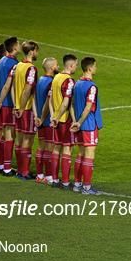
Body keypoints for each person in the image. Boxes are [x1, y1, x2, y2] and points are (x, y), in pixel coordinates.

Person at [71, 57, 103, 195]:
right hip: (88, 125)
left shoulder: (77, 83)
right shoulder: (92, 87)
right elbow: (88, 107)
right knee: (89, 156)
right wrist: (80, 122)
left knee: (80, 154)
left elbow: (71, 104)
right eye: (95, 66)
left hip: (79, 125)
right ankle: (87, 188)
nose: (96, 68)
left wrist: (75, 121)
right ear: (89, 68)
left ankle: (77, 184)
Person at [11, 41, 39, 180]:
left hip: (17, 107)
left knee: (19, 139)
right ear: (32, 51)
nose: (37, 53)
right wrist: (22, 108)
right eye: (36, 51)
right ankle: (25, 172)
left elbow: (12, 86)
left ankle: (19, 170)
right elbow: (28, 89)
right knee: (27, 140)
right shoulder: (31, 69)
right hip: (26, 109)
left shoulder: (18, 65)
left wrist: (16, 105)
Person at [49, 54, 77, 190]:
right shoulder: (69, 81)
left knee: (56, 148)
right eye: (76, 65)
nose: (76, 67)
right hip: (65, 119)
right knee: (67, 149)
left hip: (56, 119)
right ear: (71, 66)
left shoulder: (56, 78)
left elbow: (50, 99)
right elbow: (66, 102)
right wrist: (59, 116)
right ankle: (65, 182)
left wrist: (53, 116)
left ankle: (54, 180)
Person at [0, 37, 20, 176]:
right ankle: (7, 168)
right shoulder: (14, 63)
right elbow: (7, 86)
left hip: (2, 102)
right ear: (14, 48)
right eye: (19, 44)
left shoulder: (1, 61)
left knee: (4, 134)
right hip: (8, 103)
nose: (20, 45)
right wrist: (1, 102)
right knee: (9, 135)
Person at [34, 57, 59, 184]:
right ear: (52, 68)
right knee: (50, 148)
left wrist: (36, 116)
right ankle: (49, 177)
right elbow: (47, 103)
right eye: (56, 65)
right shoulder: (51, 82)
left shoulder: (40, 80)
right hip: (47, 120)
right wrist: (43, 118)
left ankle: (39, 175)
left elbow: (33, 99)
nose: (58, 66)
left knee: (41, 147)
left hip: (39, 120)